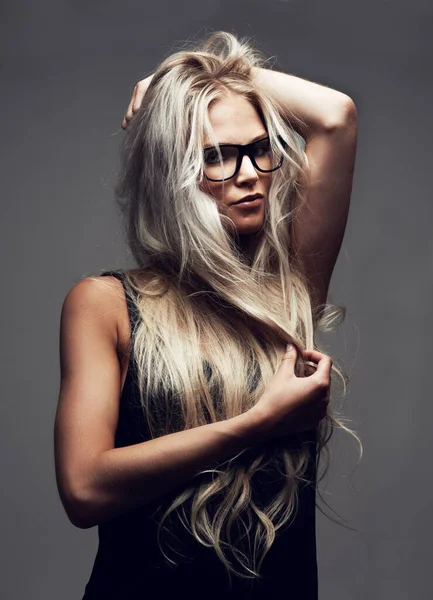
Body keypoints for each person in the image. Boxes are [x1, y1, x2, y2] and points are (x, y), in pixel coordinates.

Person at [54, 31, 360, 600]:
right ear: (171, 171)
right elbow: (83, 489)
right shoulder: (105, 304)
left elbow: (335, 116)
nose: (248, 173)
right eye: (215, 156)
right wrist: (256, 423)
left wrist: (186, 81)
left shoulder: (286, 291)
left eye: (258, 148)